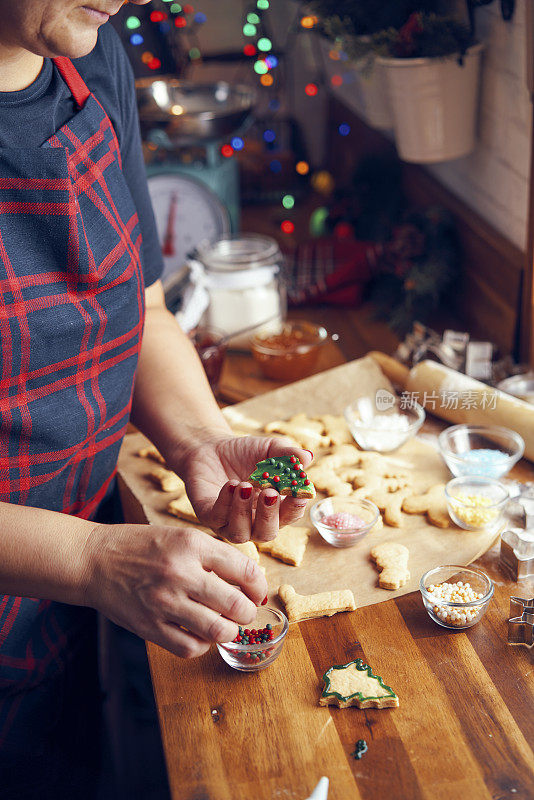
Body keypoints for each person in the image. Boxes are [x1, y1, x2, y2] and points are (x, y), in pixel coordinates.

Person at [0, 2, 313, 797]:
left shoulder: (91, 57)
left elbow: (140, 310)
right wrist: (88, 559)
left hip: (48, 634)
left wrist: (200, 438)